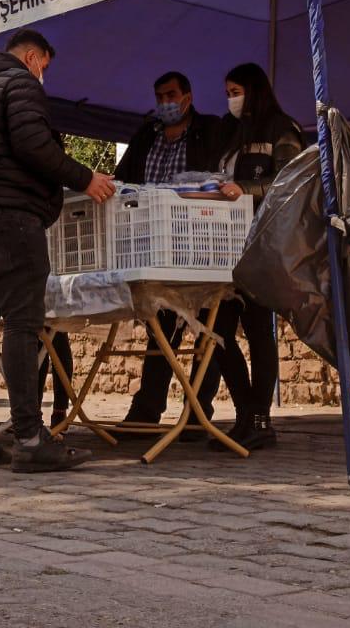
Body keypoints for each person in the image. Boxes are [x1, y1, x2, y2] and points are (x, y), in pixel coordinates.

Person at [0, 29, 114, 474]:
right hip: (10, 218)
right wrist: (85, 178)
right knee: (22, 325)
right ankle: (30, 439)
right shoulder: (19, 82)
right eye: (45, 67)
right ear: (33, 57)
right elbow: (33, 145)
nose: (43, 75)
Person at [115, 71, 228, 431]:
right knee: (160, 330)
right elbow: (122, 179)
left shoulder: (210, 130)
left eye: (171, 95)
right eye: (159, 96)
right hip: (153, 247)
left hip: (202, 242)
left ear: (187, 97)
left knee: (207, 330)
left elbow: (222, 177)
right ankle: (146, 409)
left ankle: (197, 412)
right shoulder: (146, 135)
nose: (165, 103)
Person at [209, 61, 304, 451]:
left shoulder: (282, 128)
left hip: (261, 245)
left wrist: (245, 189)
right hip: (223, 245)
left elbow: (291, 183)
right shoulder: (229, 131)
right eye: (227, 94)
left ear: (254, 91)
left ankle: (260, 418)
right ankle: (245, 413)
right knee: (216, 331)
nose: (231, 100)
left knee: (259, 331)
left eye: (236, 93)